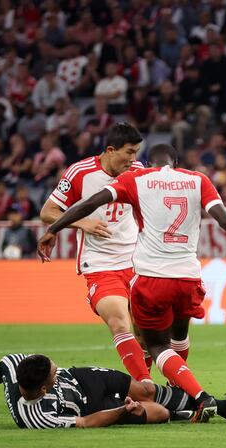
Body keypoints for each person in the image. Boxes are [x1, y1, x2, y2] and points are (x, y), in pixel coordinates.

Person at [38, 144, 226, 421]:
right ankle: (186, 398)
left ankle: (196, 397)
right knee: (179, 338)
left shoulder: (136, 178)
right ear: (175, 163)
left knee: (156, 346)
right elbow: (225, 219)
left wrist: (53, 228)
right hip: (189, 278)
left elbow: (90, 203)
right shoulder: (198, 179)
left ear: (149, 163)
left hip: (152, 278)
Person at [40, 122, 152, 383]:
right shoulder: (80, 172)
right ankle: (146, 387)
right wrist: (82, 221)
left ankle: (146, 384)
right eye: (129, 152)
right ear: (110, 150)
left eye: (137, 152)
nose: (134, 159)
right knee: (119, 323)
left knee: (146, 333)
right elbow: (48, 212)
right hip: (101, 265)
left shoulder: (138, 171)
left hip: (137, 262)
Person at [0, 353, 226, 428]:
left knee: (146, 389)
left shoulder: (14, 364)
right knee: (158, 413)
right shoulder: (39, 416)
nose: (56, 369)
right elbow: (85, 422)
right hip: (89, 408)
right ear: (45, 388)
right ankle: (188, 414)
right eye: (53, 372)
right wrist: (121, 410)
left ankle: (222, 407)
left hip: (82, 379)